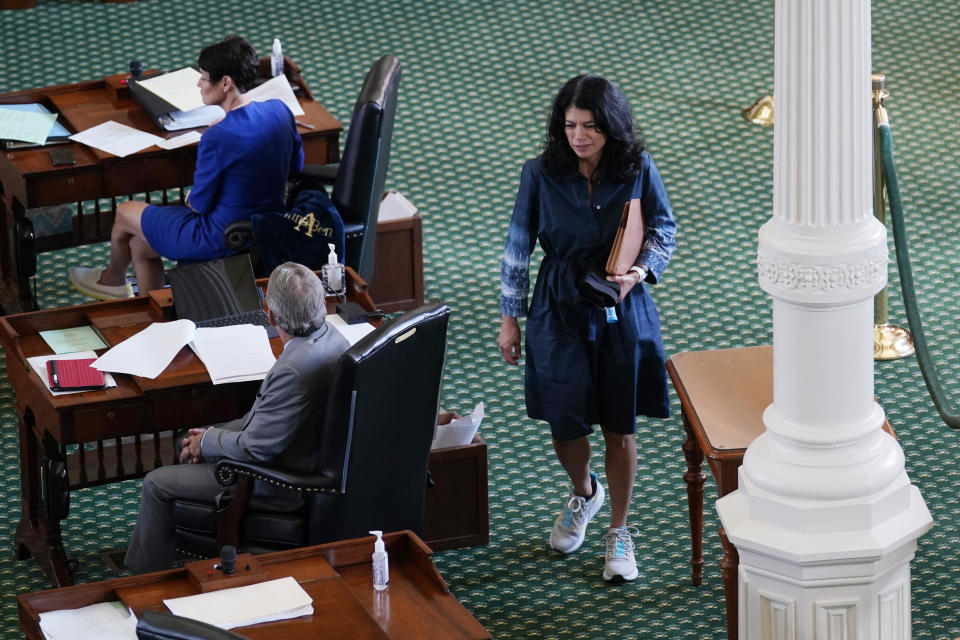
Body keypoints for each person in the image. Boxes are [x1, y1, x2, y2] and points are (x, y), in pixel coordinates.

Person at [497, 74, 676, 583]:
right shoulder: (539, 172)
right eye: (571, 125)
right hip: (558, 305)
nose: (579, 136)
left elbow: (664, 229)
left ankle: (619, 531)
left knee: (621, 425)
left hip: (621, 306)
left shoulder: (638, 168)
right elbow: (517, 247)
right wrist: (510, 318)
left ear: (611, 128)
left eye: (591, 127)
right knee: (565, 421)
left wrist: (638, 273)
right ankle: (584, 491)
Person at [124, 261, 348, 573]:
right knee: (188, 441)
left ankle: (143, 580)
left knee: (155, 483)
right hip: (294, 450)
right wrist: (206, 438)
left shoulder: (292, 370)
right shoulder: (333, 339)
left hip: (270, 478)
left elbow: (257, 448)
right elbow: (267, 423)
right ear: (322, 305)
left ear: (269, 315)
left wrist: (208, 441)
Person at [69, 35, 304, 300]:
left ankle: (112, 280)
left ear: (226, 83)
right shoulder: (279, 110)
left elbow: (199, 206)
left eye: (204, 77)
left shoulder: (218, 136)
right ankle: (156, 310)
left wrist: (190, 196)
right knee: (140, 244)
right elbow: (296, 166)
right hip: (268, 224)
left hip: (218, 235)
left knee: (124, 212)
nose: (199, 83)